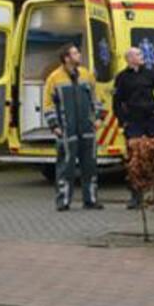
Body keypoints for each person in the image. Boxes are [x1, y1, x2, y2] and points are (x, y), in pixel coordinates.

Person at [113, 45, 154, 208]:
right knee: (134, 159)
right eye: (138, 54)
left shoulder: (150, 75)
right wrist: (123, 121)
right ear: (129, 59)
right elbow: (117, 102)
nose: (142, 56)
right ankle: (136, 196)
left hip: (152, 120)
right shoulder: (122, 78)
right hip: (134, 122)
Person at [42, 44, 101, 211]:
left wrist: (97, 119)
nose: (79, 55)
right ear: (66, 58)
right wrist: (54, 126)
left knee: (90, 165)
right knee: (65, 167)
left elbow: (96, 99)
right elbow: (48, 105)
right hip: (67, 129)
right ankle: (63, 201)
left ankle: (91, 200)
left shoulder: (87, 75)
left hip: (87, 129)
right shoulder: (54, 78)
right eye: (75, 53)